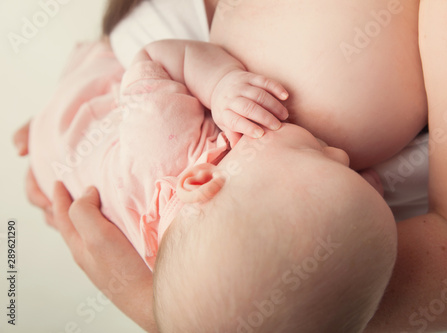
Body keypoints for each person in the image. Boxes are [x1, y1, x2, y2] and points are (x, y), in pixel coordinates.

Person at [13, 0, 447, 332]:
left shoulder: (172, 151)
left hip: (125, 110)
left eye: (328, 159)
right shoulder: (251, 222)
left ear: (201, 179)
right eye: (353, 177)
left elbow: (152, 66)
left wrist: (157, 309)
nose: (345, 161)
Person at [26, 32, 398, 332]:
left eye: (317, 155)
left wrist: (220, 82)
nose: (343, 156)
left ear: (202, 179)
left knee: (115, 53)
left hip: (71, 117)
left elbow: (153, 57)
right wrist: (356, 207)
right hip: (67, 177)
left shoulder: (163, 139)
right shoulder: (200, 273)